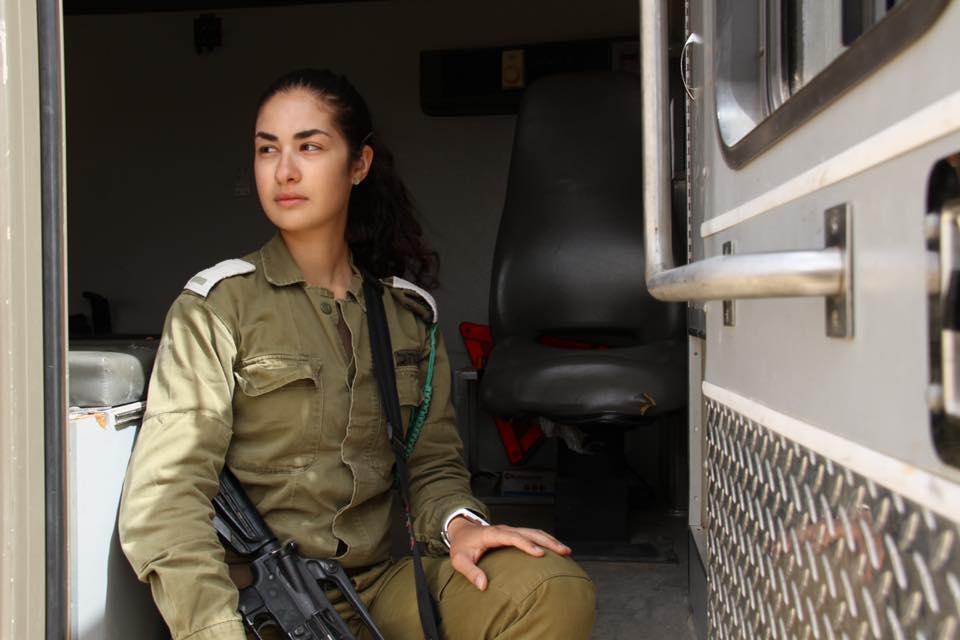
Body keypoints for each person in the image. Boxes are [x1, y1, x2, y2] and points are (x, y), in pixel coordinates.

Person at [118, 68, 596, 640]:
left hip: (375, 586)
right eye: (267, 149)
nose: (285, 170)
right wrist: (215, 630)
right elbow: (168, 497)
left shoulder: (406, 316)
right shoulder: (216, 308)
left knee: (550, 590)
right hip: (260, 604)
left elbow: (433, 466)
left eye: (310, 147)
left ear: (360, 164)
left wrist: (459, 524)